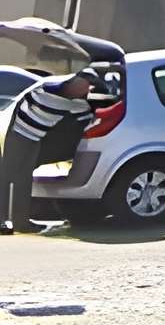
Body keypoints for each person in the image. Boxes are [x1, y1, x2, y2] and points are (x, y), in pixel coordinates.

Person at [1, 69, 97, 234]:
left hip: (37, 137)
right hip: (19, 131)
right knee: (7, 176)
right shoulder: (48, 89)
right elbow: (22, 103)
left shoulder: (77, 102)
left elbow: (87, 116)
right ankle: (3, 221)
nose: (85, 90)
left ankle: (21, 221)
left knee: (24, 179)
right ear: (74, 82)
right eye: (83, 86)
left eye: (88, 88)